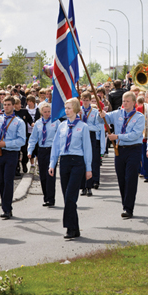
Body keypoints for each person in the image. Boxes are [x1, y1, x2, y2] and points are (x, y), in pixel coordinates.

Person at [49, 98, 92, 239]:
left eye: (69, 108)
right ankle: (75, 228)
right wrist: (52, 164)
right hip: (64, 161)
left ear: (75, 109)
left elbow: (87, 149)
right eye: (65, 108)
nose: (66, 110)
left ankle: (69, 227)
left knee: (70, 196)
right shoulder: (61, 126)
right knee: (67, 197)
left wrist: (88, 168)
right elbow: (55, 146)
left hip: (77, 162)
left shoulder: (83, 126)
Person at [99, 91, 145, 219]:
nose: (124, 103)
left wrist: (117, 136)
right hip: (119, 150)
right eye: (123, 101)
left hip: (134, 149)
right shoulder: (117, 114)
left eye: (127, 101)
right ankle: (125, 204)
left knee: (130, 178)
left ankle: (129, 208)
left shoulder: (139, 117)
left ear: (134, 103)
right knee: (121, 178)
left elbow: (136, 134)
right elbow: (103, 119)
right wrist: (101, 114)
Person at [28, 102, 59, 206]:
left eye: (49, 111)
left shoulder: (56, 122)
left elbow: (60, 137)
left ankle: (51, 199)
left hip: (52, 150)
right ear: (41, 112)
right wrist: (30, 150)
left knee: (50, 174)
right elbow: (33, 138)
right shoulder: (38, 123)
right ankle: (46, 197)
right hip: (41, 150)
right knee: (42, 175)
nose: (47, 113)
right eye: (45, 112)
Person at [79, 91, 102, 194]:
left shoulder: (95, 112)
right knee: (82, 161)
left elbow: (97, 127)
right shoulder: (78, 111)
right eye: (83, 100)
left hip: (91, 135)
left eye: (87, 100)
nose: (85, 102)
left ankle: (89, 186)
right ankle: (83, 186)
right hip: (80, 137)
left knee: (90, 160)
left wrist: (86, 127)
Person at [14, 97, 33, 174]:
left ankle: (24, 163)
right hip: (15, 137)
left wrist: (32, 124)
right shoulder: (12, 113)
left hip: (24, 136)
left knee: (25, 151)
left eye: (20, 103)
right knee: (17, 152)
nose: (20, 105)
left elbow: (29, 119)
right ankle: (17, 167)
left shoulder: (24, 111)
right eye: (18, 104)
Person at [26, 95, 40, 173]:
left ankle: (38, 164)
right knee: (31, 149)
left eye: (30, 101)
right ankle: (32, 165)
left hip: (36, 132)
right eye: (28, 101)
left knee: (37, 148)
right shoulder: (25, 110)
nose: (29, 103)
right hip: (28, 131)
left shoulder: (37, 109)